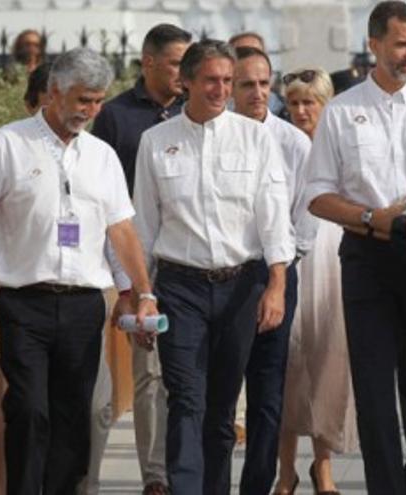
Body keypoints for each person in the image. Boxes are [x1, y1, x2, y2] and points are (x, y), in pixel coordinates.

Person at [0, 47, 159, 495]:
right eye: (83, 100)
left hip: (83, 308)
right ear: (54, 93)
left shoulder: (101, 156)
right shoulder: (8, 142)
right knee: (28, 410)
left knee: (73, 417)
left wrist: (140, 290)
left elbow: (120, 231)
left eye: (98, 101)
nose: (91, 111)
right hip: (25, 304)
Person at [303, 2, 406, 493]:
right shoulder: (341, 111)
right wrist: (375, 218)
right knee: (376, 397)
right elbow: (318, 194)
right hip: (366, 258)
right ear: (374, 44)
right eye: (401, 44)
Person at [132, 39, 294, 495]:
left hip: (241, 285)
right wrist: (138, 293)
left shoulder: (257, 137)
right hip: (179, 288)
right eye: (211, 80)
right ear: (185, 82)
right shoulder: (155, 142)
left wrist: (277, 283)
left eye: (227, 80)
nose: (222, 89)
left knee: (222, 411)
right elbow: (142, 224)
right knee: (185, 399)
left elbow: (273, 213)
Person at [87, 23, 193, 495]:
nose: (183, 72)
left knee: (188, 375)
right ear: (148, 62)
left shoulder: (200, 112)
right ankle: (156, 477)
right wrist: (125, 280)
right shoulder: (113, 117)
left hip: (192, 257)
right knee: (149, 372)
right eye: (175, 63)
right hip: (140, 260)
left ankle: (187, 466)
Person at [230, 45, 319, 495]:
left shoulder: (293, 142)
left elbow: (305, 218)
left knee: (267, 393)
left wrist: (281, 272)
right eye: (247, 84)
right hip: (221, 277)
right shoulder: (215, 135)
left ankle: (258, 485)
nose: (258, 93)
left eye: (265, 84)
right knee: (217, 394)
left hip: (274, 276)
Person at [274, 66, 358, 495]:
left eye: (310, 102)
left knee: (330, 357)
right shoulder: (276, 143)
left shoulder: (342, 144)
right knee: (285, 363)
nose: (302, 111)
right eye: (294, 103)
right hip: (287, 256)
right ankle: (284, 467)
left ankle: (322, 464)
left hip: (332, 252)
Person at [228, 31, 285, 116]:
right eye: (242, 54)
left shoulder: (289, 113)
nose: (257, 93)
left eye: (263, 83)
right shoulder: (214, 119)